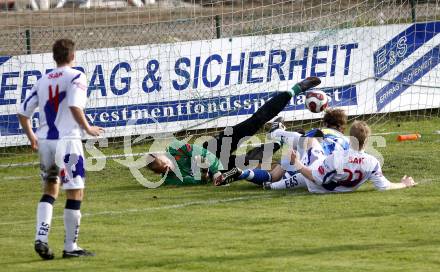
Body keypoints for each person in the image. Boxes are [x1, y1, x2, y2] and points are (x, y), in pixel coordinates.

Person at [146, 76, 322, 185]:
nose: (167, 167)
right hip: (221, 167)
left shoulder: (175, 148)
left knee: (254, 123)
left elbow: (202, 153)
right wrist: (206, 173)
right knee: (251, 160)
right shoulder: (170, 179)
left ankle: (295, 89)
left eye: (164, 163)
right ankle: (281, 136)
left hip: (213, 148)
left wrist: (209, 167)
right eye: (164, 169)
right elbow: (195, 181)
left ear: (161, 155)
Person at [18, 39, 104, 260]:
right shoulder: (76, 76)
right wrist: (88, 128)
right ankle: (70, 246)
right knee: (75, 191)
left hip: (45, 141)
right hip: (67, 141)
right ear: (72, 56)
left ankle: (41, 238)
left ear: (54, 57)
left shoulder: (42, 80)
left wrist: (32, 138)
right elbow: (75, 105)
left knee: (49, 190)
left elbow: (23, 112)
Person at [217, 108, 349, 188]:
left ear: (325, 123)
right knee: (276, 176)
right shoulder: (347, 141)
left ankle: (242, 172)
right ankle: (244, 172)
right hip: (320, 166)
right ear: (342, 128)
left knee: (274, 174)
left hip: (306, 154)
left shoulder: (320, 131)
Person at [290, 120, 417, 193]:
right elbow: (384, 186)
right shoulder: (373, 162)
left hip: (315, 185)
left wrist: (297, 164)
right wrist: (404, 184)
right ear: (367, 141)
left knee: (309, 140)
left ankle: (277, 133)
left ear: (349, 139)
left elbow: (315, 178)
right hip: (332, 183)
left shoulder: (336, 157)